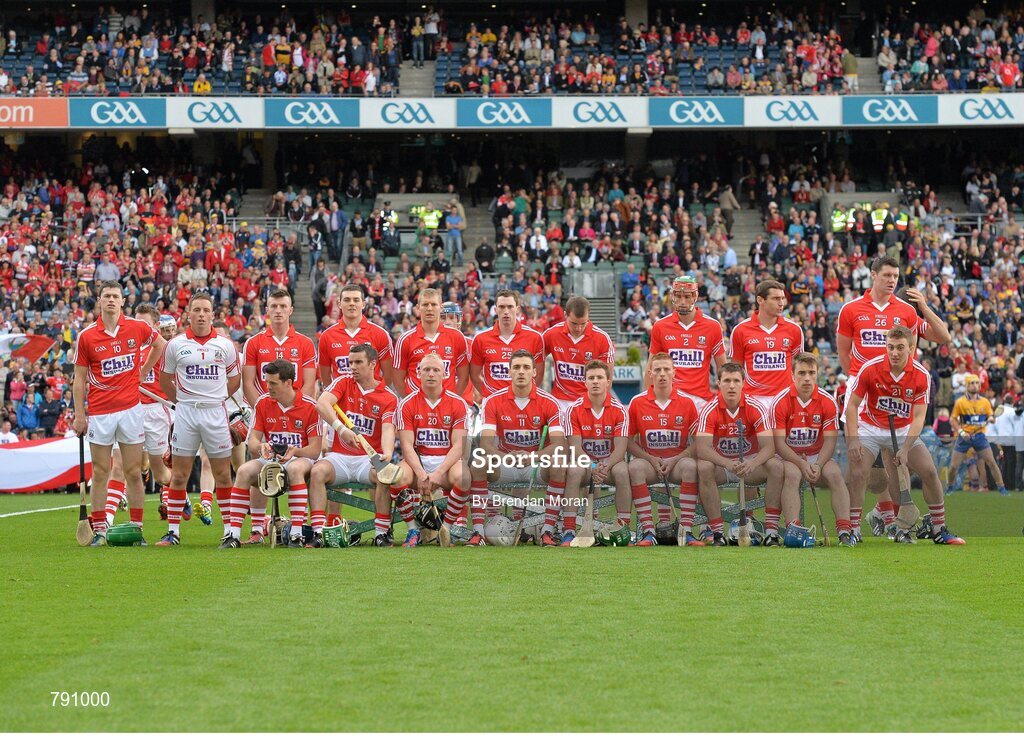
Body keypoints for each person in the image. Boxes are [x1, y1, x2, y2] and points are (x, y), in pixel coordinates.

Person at [836, 256, 950, 538]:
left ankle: (893, 518)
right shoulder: (851, 309)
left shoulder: (907, 313)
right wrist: (862, 378)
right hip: (865, 394)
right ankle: (882, 512)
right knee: (875, 478)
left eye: (895, 276)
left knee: (900, 466)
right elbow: (843, 352)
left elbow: (942, 336)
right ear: (873, 275)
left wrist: (923, 305)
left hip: (899, 396)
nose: (891, 280)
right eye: (886, 275)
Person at [845, 327, 964, 545]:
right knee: (859, 473)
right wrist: (853, 439)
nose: (894, 353)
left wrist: (906, 448)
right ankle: (853, 530)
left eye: (900, 348)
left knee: (929, 471)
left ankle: (939, 529)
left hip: (902, 431)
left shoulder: (921, 375)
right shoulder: (870, 369)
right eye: (890, 347)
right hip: (871, 428)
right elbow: (851, 406)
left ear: (911, 348)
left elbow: (919, 417)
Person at [72, 281, 165, 545]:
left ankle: (137, 529)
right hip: (101, 412)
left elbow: (159, 345)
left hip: (131, 410)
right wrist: (80, 415)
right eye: (106, 296)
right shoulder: (87, 336)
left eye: (116, 296)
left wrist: (144, 371)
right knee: (101, 472)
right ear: (99, 301)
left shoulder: (137, 326)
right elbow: (79, 380)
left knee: (134, 471)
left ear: (123, 301)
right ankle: (100, 529)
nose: (111, 300)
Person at [157, 293, 240, 546]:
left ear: (213, 314)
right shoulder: (175, 345)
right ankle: (173, 532)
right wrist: (182, 401)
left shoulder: (225, 345)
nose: (201, 314)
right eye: (197, 310)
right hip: (186, 413)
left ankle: (230, 532)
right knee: (179, 475)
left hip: (215, 412)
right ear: (189, 314)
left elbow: (234, 380)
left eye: (206, 309)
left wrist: (215, 398)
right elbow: (164, 381)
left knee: (223, 474)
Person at [466, 350, 565, 546]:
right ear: (509, 372)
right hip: (506, 463)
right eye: (516, 367)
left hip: (536, 465)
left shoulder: (549, 402)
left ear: (534, 373)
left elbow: (559, 444)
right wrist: (506, 457)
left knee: (559, 464)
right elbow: (485, 444)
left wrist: (533, 456)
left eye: (526, 367)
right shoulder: (493, 401)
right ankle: (478, 533)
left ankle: (548, 531)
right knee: (478, 462)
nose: (521, 372)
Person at [225, 360, 322, 548]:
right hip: (271, 459)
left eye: (273, 383)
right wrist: (260, 447)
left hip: (300, 458)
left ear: (288, 382)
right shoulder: (263, 402)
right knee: (244, 471)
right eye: (267, 382)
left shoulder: (310, 406)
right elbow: (252, 440)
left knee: (294, 468)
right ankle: (233, 535)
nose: (268, 387)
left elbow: (315, 449)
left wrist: (295, 451)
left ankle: (296, 534)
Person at [310, 344, 398, 547]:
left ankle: (381, 533)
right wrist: (341, 429)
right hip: (339, 457)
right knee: (317, 472)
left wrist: (387, 453)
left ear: (373, 364)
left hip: (366, 460)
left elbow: (387, 429)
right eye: (351, 362)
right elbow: (322, 403)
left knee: (382, 478)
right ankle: (317, 532)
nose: (353, 367)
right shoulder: (343, 382)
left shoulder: (388, 397)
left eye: (358, 362)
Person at [695, 362, 785, 546]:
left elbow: (769, 447)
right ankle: (717, 532)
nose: (732, 385)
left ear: (743, 383)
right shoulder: (709, 409)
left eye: (736, 380)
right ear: (718, 383)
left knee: (776, 466)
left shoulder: (755, 407)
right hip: (722, 465)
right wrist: (727, 463)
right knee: (703, 466)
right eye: (727, 380)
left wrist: (753, 463)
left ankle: (771, 532)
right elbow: (702, 448)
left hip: (750, 465)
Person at [771, 353, 854, 546]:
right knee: (792, 474)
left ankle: (844, 531)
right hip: (788, 456)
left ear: (818, 374)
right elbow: (779, 443)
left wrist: (817, 464)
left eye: (811, 373)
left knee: (834, 473)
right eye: (801, 373)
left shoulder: (827, 401)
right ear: (792, 375)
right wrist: (801, 463)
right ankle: (793, 531)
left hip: (817, 455)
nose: (807, 378)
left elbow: (830, 441)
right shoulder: (781, 401)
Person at [393, 353, 471, 546]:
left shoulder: (458, 403)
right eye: (426, 369)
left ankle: (447, 529)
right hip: (418, 462)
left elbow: (459, 445)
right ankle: (413, 530)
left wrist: (438, 472)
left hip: (445, 463)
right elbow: (406, 445)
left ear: (445, 374)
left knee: (464, 477)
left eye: (436, 370)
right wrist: (421, 474)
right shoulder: (407, 403)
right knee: (395, 476)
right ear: (418, 373)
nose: (431, 374)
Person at [627, 352, 704, 546]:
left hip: (676, 463)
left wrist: (677, 458)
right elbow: (627, 441)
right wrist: (650, 458)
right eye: (658, 370)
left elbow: (698, 442)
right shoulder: (637, 402)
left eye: (666, 369)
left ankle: (685, 530)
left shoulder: (688, 403)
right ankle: (648, 532)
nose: (662, 374)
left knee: (690, 466)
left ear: (674, 373)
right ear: (650, 373)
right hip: (650, 464)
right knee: (635, 467)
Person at [561, 361, 630, 546]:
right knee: (574, 470)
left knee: (623, 471)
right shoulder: (573, 409)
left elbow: (621, 448)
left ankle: (624, 527)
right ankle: (568, 530)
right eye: (591, 378)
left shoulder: (620, 410)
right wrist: (592, 466)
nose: (595, 382)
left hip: (610, 464)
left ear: (608, 381)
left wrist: (604, 467)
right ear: (585, 382)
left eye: (600, 378)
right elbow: (575, 447)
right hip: (585, 463)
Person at [648, 276, 726, 411]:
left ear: (695, 296)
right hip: (670, 399)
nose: (682, 301)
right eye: (678, 296)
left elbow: (723, 369)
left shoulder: (712, 326)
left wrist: (723, 400)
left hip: (702, 401)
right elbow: (650, 368)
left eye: (687, 296)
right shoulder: (660, 326)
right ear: (672, 296)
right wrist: (649, 400)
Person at [728, 280, 804, 414]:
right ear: (760, 300)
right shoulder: (740, 330)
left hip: (785, 399)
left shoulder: (794, 330)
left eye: (782, 298)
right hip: (753, 400)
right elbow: (736, 370)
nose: (781, 303)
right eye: (776, 299)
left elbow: (799, 367)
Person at [242, 288, 317, 407]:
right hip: (264, 412)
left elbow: (309, 384)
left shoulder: (306, 343)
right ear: (267, 310)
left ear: (291, 310)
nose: (278, 311)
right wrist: (261, 409)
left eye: (283, 306)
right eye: (274, 306)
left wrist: (295, 408)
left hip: (296, 412)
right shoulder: (253, 342)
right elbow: (247, 383)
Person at [542, 295, 615, 416]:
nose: (578, 328)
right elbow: (535, 359)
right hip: (561, 401)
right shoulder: (552, 334)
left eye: (583, 323)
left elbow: (607, 380)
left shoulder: (602, 339)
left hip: (589, 401)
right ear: (565, 315)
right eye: (574, 323)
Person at [134, 305, 174, 520]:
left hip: (157, 409)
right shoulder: (128, 347)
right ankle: (107, 522)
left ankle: (176, 494)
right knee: (123, 465)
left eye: (145, 324)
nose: (139, 328)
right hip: (131, 409)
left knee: (161, 472)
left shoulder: (167, 348)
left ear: (155, 326)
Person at [392, 288, 469, 397]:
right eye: (425, 305)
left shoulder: (456, 337)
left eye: (433, 304)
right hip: (417, 408)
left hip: (447, 407)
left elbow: (464, 377)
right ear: (418, 308)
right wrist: (411, 401)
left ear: (441, 307)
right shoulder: (405, 339)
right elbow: (397, 379)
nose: (429, 308)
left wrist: (452, 400)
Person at [469, 289, 544, 399]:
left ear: (517, 309)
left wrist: (524, 395)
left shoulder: (534, 337)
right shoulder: (481, 339)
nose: (506, 311)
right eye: (502, 307)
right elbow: (475, 375)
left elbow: (538, 374)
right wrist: (490, 396)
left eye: (510, 307)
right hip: (493, 403)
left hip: (523, 400)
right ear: (495, 309)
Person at [947, 374, 1008, 495]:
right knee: (953, 466)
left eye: (976, 383)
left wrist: (991, 418)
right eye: (972, 383)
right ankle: (949, 487)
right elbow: (952, 420)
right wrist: (961, 432)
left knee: (991, 462)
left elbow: (991, 415)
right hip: (964, 436)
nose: (975, 385)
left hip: (980, 436)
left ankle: (1002, 489)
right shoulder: (960, 402)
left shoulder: (985, 402)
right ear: (967, 385)